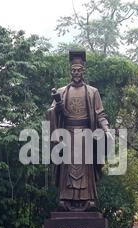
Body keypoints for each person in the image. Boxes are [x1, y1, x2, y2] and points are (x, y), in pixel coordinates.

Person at [47, 50, 110, 212]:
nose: (76, 73)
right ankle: (64, 198)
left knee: (85, 167)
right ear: (70, 71)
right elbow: (51, 112)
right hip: (67, 134)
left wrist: (106, 129)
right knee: (67, 166)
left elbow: (100, 114)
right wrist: (55, 109)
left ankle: (88, 199)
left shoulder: (92, 92)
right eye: (73, 70)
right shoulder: (61, 92)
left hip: (85, 134)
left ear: (83, 71)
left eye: (79, 70)